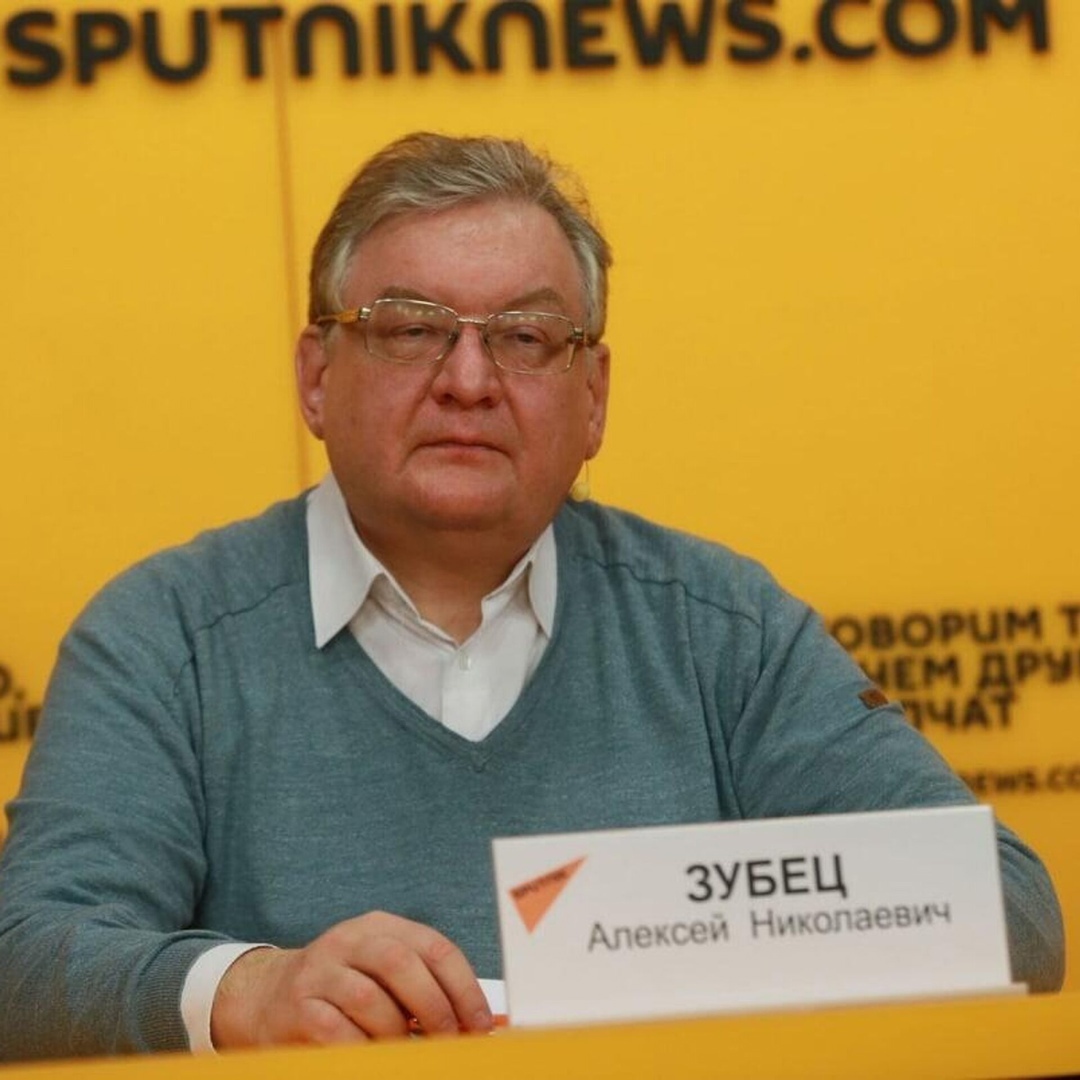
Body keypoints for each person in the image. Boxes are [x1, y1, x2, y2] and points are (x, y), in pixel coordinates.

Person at [0, 133, 1064, 1061]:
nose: (468, 381)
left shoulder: (719, 630)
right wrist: (246, 992)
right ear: (317, 377)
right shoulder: (166, 637)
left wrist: (680, 950)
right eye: (411, 328)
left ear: (592, 398)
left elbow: (1009, 914)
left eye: (524, 337)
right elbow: (25, 963)